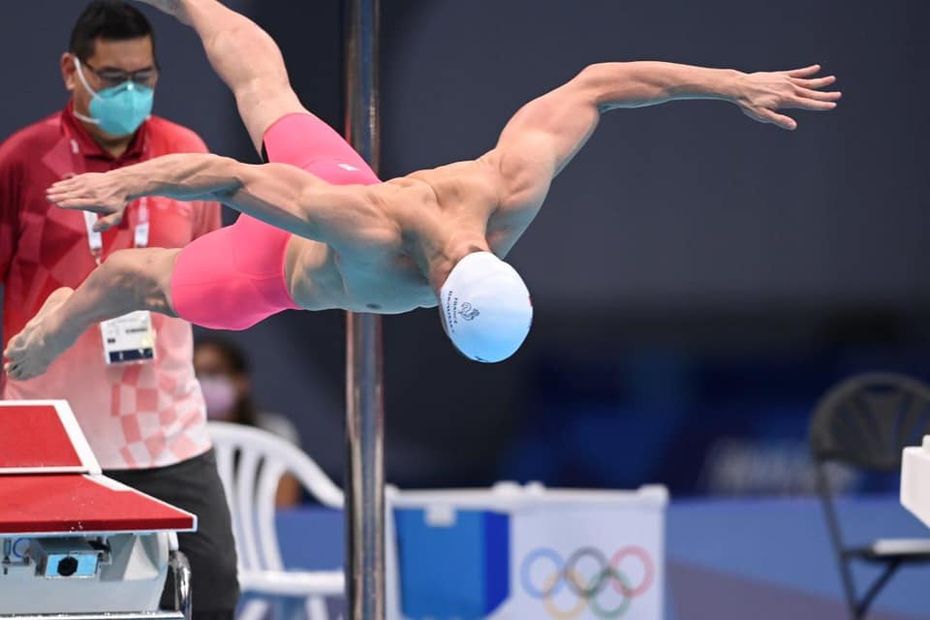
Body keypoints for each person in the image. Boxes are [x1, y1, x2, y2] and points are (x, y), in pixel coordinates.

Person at [4, 0, 841, 377]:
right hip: (280, 268)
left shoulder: (508, 191)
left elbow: (599, 85)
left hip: (335, 184)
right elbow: (229, 179)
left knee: (275, 98)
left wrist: (729, 82)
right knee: (125, 281)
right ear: (441, 292)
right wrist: (127, 184)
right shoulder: (368, 231)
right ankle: (57, 323)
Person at [0, 2, 238, 617]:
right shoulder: (22, 163)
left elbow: (206, 272)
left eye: (144, 77)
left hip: (169, 439)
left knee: (210, 597)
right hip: (54, 442)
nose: (130, 92)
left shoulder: (186, 155)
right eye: (112, 78)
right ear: (70, 70)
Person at [194, 335, 302, 506]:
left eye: (213, 373)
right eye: (196, 375)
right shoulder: (180, 437)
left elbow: (285, 506)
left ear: (241, 381)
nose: (203, 383)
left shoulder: (275, 432)